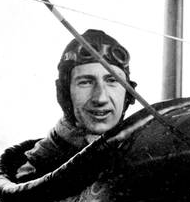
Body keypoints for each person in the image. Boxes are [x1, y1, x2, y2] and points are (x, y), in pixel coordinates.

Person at [13, 30, 136, 182]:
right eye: (85, 82)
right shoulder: (35, 169)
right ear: (65, 93)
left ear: (128, 93)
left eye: (112, 81)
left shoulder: (143, 151)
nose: (100, 98)